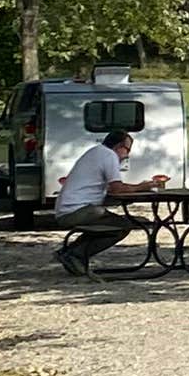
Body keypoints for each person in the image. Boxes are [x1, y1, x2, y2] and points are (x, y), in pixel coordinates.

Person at [47, 111, 172, 278]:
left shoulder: (95, 152)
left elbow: (110, 188)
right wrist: (143, 186)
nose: (127, 155)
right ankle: (75, 255)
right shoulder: (109, 156)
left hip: (66, 210)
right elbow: (117, 188)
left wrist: (136, 188)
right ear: (118, 147)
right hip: (77, 211)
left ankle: (70, 252)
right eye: (127, 150)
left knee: (112, 222)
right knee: (123, 226)